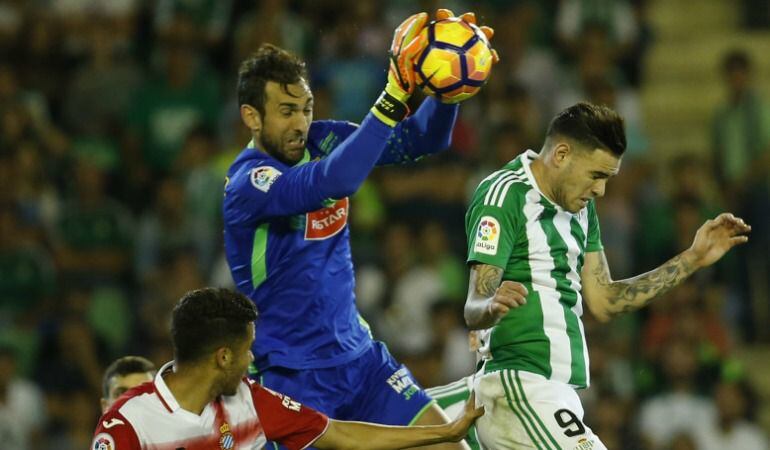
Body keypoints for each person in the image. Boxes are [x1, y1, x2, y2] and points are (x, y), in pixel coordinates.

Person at [222, 9, 497, 450]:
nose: (300, 123)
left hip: (362, 362)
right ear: (251, 117)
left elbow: (422, 139)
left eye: (306, 109)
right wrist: (392, 95)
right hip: (291, 378)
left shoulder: (324, 139)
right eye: (286, 111)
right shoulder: (249, 183)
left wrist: (450, 81)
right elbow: (334, 181)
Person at [463, 102, 751, 449]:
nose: (600, 190)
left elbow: (605, 301)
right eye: (596, 175)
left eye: (607, 178)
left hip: (559, 393)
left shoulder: (581, 209)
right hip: (518, 384)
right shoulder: (504, 195)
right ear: (562, 155)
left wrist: (693, 258)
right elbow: (474, 305)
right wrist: (491, 305)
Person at [91, 287, 483, 450]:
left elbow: (342, 435)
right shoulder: (129, 422)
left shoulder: (250, 401)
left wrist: (445, 431)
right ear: (222, 357)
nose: (252, 360)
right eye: (247, 351)